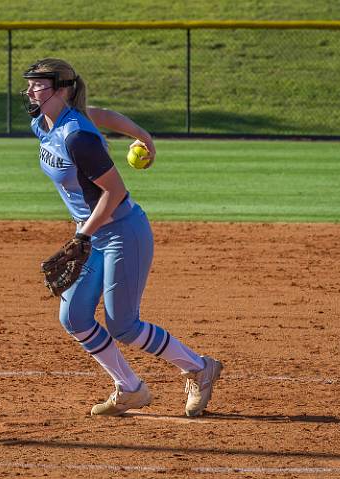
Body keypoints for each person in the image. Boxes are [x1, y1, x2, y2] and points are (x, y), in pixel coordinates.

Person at [21, 58, 223, 417]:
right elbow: (98, 113)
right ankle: (130, 389)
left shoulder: (79, 138)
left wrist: (82, 235)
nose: (30, 89)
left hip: (121, 232)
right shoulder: (46, 122)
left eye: (38, 84)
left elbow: (113, 192)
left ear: (60, 88)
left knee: (123, 324)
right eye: (30, 84)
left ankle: (198, 367)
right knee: (75, 317)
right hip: (93, 233)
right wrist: (141, 135)